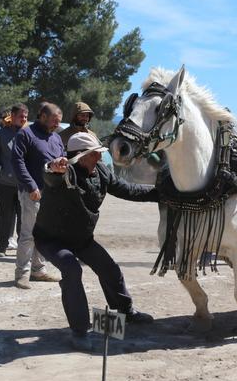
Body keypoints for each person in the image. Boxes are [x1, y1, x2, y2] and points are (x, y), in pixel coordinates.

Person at [36, 132, 158, 351]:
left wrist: (160, 193)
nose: (100, 159)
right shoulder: (64, 173)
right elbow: (50, 175)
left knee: (109, 269)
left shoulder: (100, 171)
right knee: (72, 270)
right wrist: (52, 167)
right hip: (52, 240)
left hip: (81, 238)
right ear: (80, 156)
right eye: (95, 155)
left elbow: (126, 189)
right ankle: (80, 331)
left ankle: (125, 311)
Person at [10, 102, 65, 288]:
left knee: (45, 234)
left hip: (52, 193)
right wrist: (31, 186)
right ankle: (22, 274)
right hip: (32, 193)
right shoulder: (26, 134)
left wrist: (62, 163)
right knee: (28, 234)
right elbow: (17, 162)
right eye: (54, 121)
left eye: (59, 122)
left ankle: (38, 270)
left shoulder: (56, 138)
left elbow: (60, 157)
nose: (56, 125)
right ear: (42, 116)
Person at [0, 103, 27, 257]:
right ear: (13, 116)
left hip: (25, 185)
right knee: (5, 217)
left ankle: (23, 249)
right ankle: (1, 247)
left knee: (24, 219)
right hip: (5, 184)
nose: (23, 119)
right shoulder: (1, 134)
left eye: (25, 117)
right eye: (20, 116)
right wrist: (0, 171)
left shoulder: (30, 134)